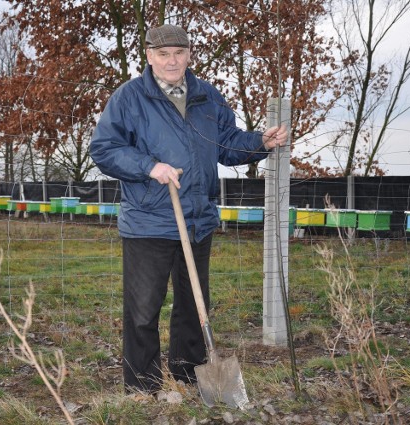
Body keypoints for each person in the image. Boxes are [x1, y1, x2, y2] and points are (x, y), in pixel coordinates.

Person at [90, 23, 287, 394]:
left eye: (179, 53)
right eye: (163, 54)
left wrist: (260, 141)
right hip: (149, 221)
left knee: (194, 309)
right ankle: (143, 386)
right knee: (144, 310)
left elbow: (227, 144)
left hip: (197, 220)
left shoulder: (206, 96)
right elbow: (104, 149)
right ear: (149, 56)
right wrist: (150, 166)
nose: (171, 60)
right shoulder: (129, 98)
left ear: (189, 55)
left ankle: (189, 375)